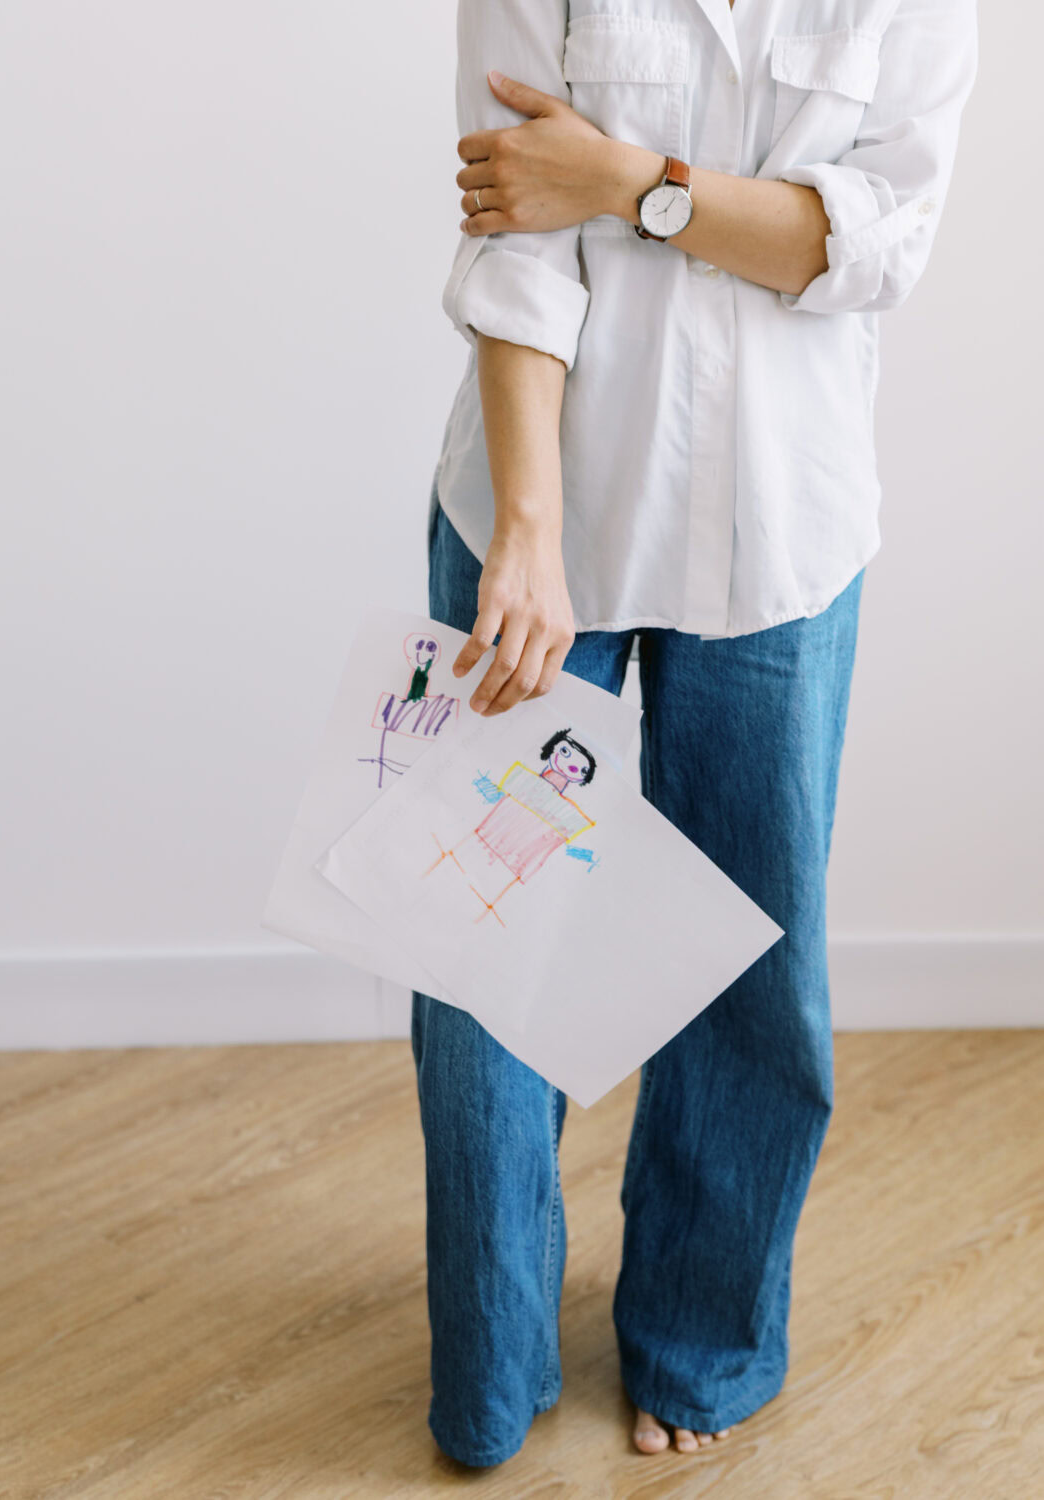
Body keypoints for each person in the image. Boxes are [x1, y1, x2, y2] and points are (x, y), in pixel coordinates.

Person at [410, 0, 979, 1468]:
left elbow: (867, 250)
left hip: (778, 531)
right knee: (486, 948)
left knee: (751, 947)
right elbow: (516, 239)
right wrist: (525, 541)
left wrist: (634, 184)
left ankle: (699, 1337)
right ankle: (490, 1367)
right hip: (538, 512)